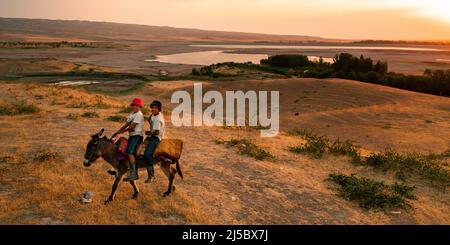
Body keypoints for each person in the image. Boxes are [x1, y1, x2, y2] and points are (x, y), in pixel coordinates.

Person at [112, 98, 144, 181]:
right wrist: (117, 132)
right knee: (120, 147)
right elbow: (126, 125)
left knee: (129, 152)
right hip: (132, 136)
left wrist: (121, 132)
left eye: (137, 105)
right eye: (134, 105)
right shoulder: (132, 114)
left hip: (137, 136)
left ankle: (134, 174)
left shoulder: (139, 115)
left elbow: (131, 127)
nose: (135, 107)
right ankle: (119, 168)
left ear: (139, 106)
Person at [144, 100, 165, 183]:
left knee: (147, 154)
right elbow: (150, 119)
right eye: (152, 107)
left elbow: (157, 132)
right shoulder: (154, 114)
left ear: (159, 109)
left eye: (156, 108)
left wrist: (148, 132)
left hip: (156, 137)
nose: (153, 109)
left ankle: (151, 175)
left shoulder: (158, 119)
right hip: (152, 136)